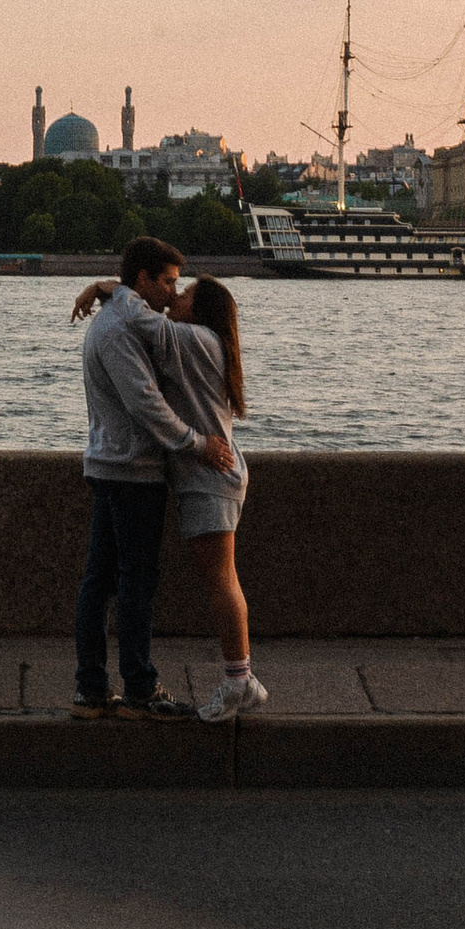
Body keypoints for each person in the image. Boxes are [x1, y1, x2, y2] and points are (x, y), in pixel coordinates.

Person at [71, 237, 233, 714]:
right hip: (131, 470)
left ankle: (93, 688)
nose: (172, 290)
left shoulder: (121, 321)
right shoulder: (119, 330)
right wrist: (197, 443)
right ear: (142, 280)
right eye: (166, 281)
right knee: (132, 581)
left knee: (100, 580)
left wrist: (106, 288)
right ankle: (136, 686)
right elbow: (146, 405)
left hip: (115, 465)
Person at [158, 275, 265, 720]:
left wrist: (109, 289)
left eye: (184, 294)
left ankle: (238, 681)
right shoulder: (209, 340)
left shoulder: (195, 338)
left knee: (222, 580)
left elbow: (145, 326)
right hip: (216, 476)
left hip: (209, 478)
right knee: (224, 578)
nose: (175, 296)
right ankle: (246, 682)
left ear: (200, 310)